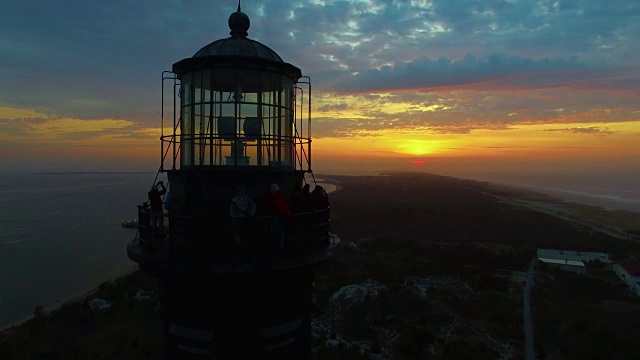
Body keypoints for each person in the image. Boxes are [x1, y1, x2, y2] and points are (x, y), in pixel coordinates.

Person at [266, 183, 290, 249]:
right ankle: (279, 249)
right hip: (281, 217)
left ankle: (275, 249)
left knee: (275, 233)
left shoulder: (277, 198)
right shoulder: (281, 197)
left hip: (278, 217)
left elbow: (274, 205)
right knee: (280, 234)